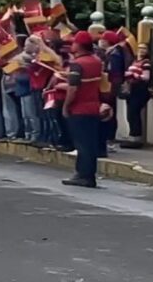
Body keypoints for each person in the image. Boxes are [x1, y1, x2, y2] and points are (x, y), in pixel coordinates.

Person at [62, 31, 104, 188]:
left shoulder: (77, 64)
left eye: (74, 43)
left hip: (79, 108)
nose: (72, 45)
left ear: (79, 46)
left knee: (81, 144)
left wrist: (66, 106)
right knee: (90, 143)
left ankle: (83, 175)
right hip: (93, 106)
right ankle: (88, 174)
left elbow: (73, 89)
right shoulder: (97, 61)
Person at [99, 31, 127, 155]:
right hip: (108, 87)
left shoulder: (114, 54)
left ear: (107, 41)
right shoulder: (111, 52)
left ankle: (110, 140)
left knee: (108, 113)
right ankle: (108, 139)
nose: (100, 41)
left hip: (109, 88)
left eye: (103, 39)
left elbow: (113, 72)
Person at [121, 43, 151, 149]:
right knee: (130, 114)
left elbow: (146, 77)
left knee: (134, 114)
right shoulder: (134, 61)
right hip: (131, 90)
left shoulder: (146, 63)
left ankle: (136, 138)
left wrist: (134, 75)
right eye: (140, 48)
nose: (141, 50)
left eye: (144, 48)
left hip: (140, 90)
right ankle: (132, 136)